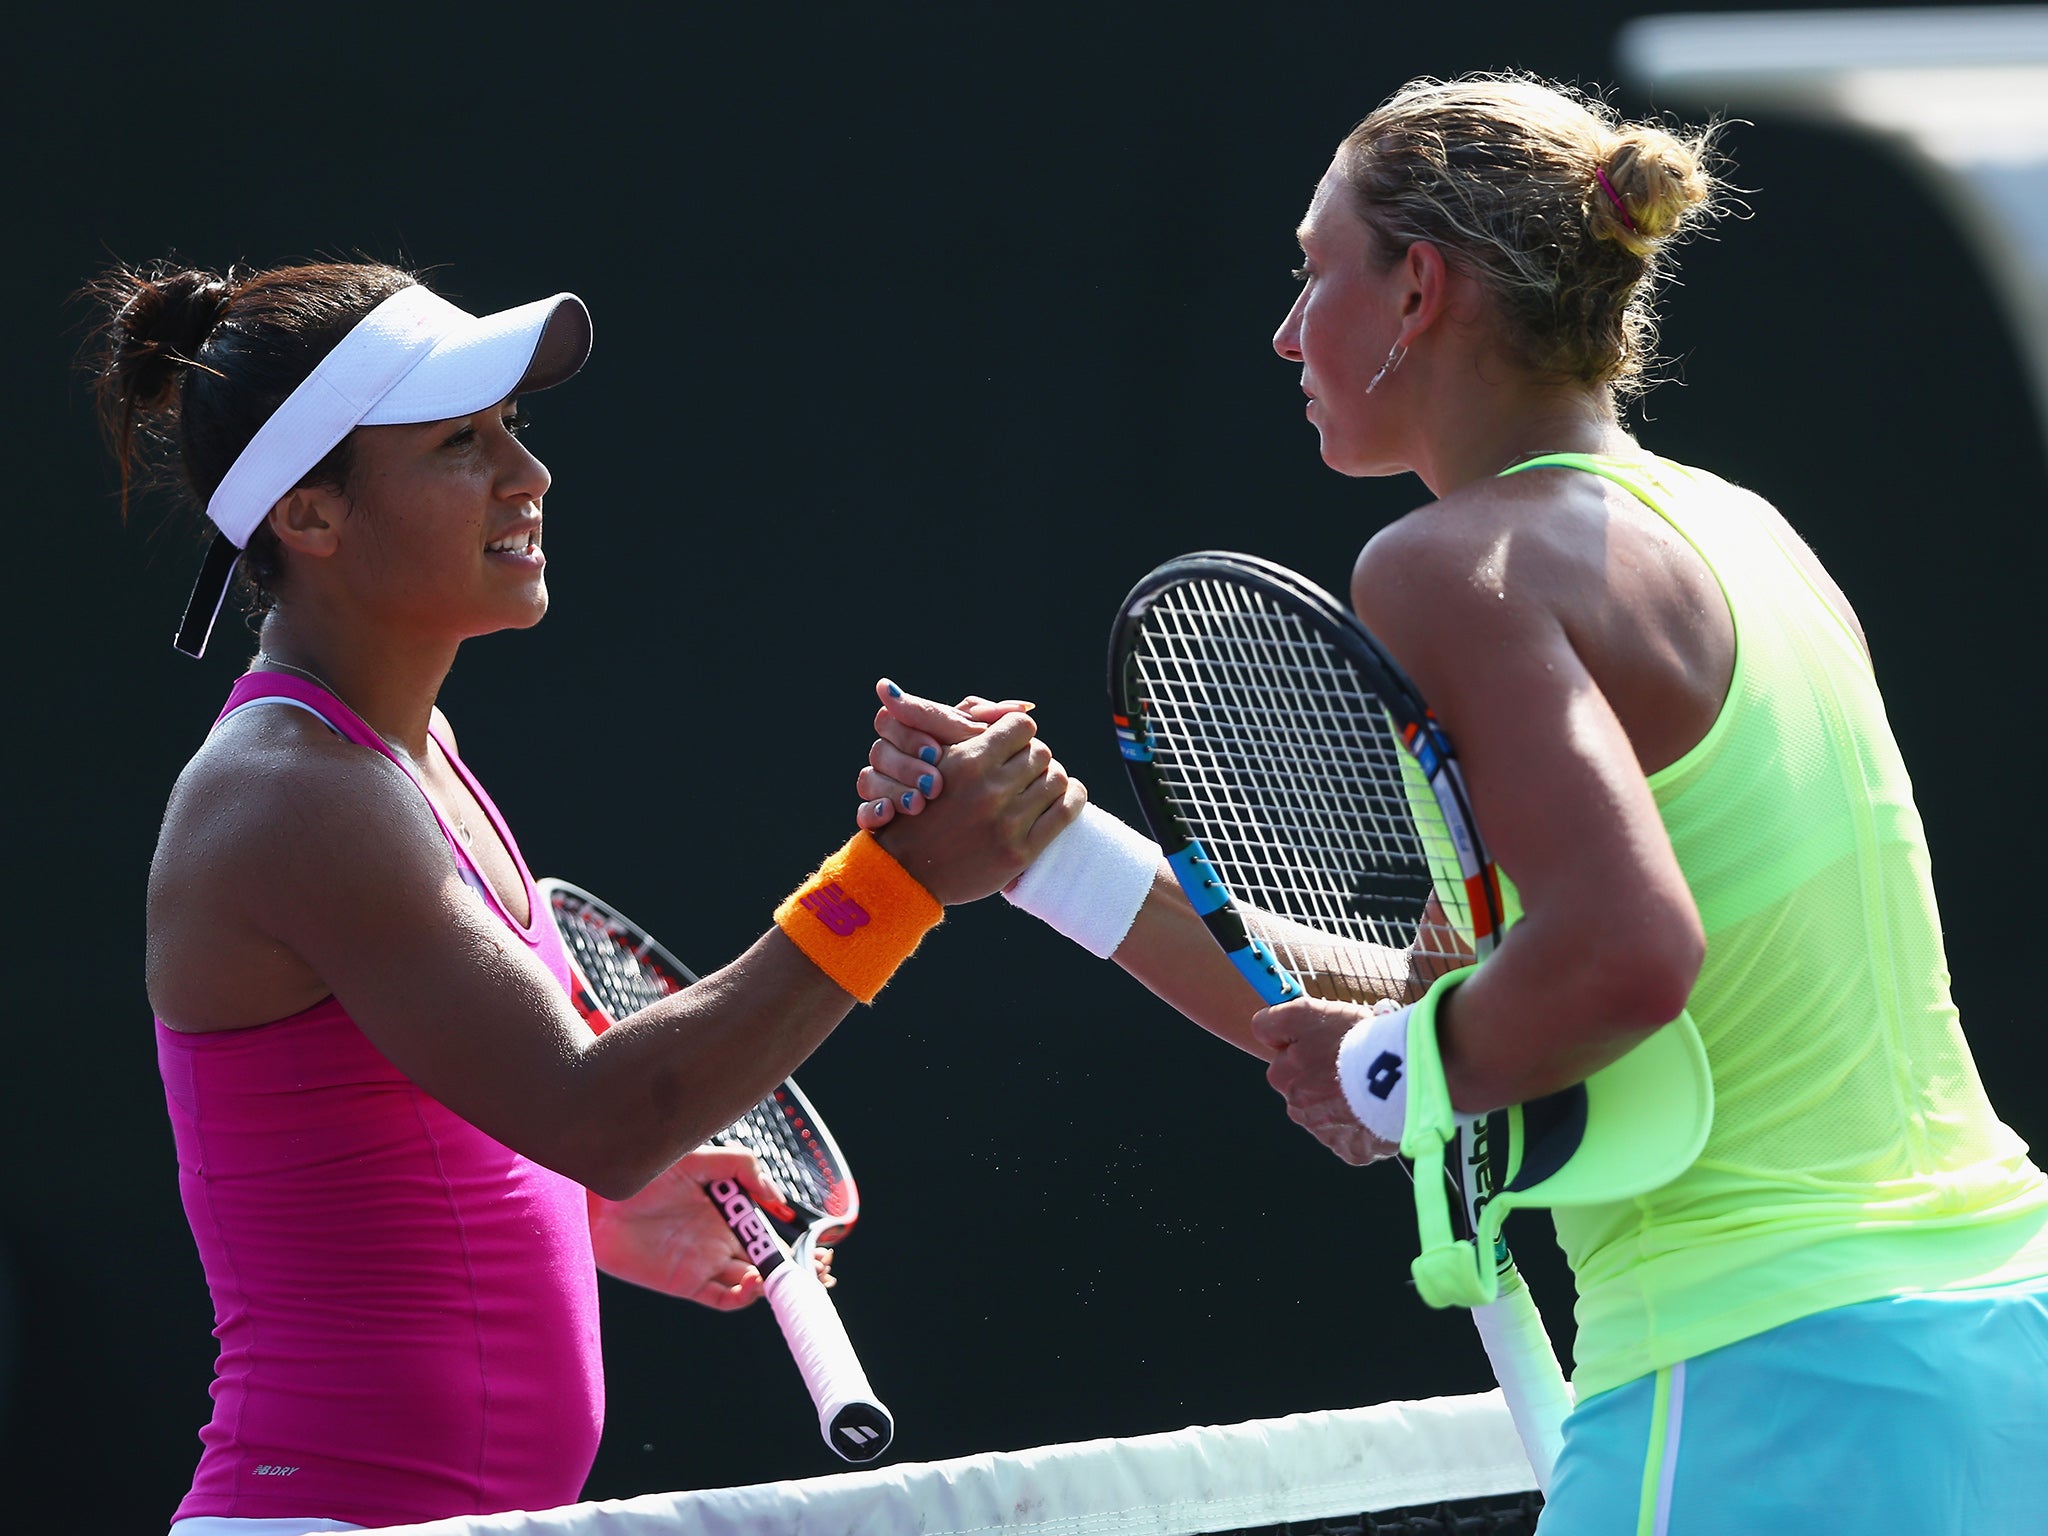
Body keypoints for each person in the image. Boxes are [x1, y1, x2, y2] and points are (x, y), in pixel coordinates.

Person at [861, 74, 2048, 1532]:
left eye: (1314, 270)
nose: (1288, 330)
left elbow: (1617, 960)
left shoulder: (1451, 563)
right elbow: (1472, 996)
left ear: (1419, 287)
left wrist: (1391, 1073)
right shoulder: (1749, 536)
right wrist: (1053, 858)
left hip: (1764, 1384)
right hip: (1995, 1345)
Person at [88, 259, 1083, 1536]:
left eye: (514, 429)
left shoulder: (402, 752)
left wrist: (594, 1206)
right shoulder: (292, 793)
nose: (527, 476)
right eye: (461, 441)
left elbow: (452, 1130)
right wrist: (894, 884)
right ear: (310, 516)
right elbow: (598, 1110)